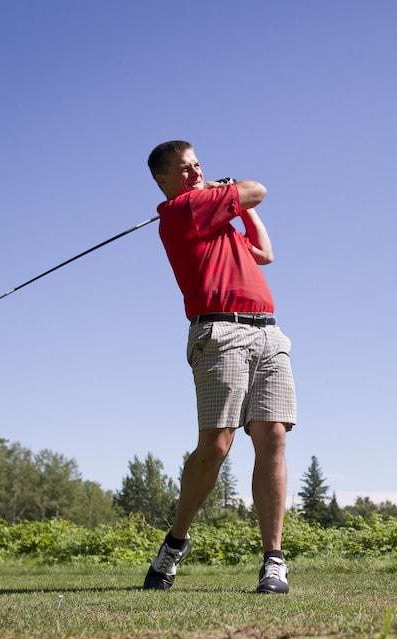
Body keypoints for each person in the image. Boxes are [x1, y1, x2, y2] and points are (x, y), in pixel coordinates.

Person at [142, 140, 297, 593]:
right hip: (219, 331)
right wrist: (223, 190)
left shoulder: (216, 220)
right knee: (216, 445)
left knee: (273, 436)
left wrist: (237, 209)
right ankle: (175, 543)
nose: (194, 174)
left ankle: (273, 560)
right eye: (184, 170)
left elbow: (265, 253)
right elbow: (259, 188)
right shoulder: (183, 211)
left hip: (267, 331)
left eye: (198, 166)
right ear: (163, 181)